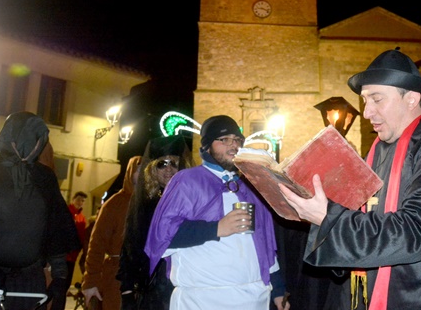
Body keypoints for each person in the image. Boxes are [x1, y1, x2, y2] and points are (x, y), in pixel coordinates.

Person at [279, 48, 421, 310]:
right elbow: (359, 214)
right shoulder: (378, 150)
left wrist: (327, 217)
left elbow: (413, 233)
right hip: (365, 296)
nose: (366, 113)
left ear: (411, 99)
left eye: (377, 99)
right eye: (365, 101)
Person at [144, 115, 290, 310]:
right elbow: (162, 236)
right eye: (224, 139)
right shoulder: (186, 181)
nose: (233, 145)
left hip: (254, 298)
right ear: (206, 146)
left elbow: (264, 243)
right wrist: (216, 228)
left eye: (237, 140)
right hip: (202, 300)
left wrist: (278, 289)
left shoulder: (251, 186)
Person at [0, 111, 81, 309]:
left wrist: (59, 276)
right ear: (12, 136)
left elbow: (55, 225)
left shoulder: (44, 177)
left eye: (39, 139)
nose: (34, 144)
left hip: (30, 280)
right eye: (29, 137)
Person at [117, 135, 195, 310]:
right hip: (152, 287)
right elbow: (130, 245)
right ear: (152, 169)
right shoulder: (144, 202)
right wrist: (127, 290)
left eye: (174, 163)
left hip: (186, 283)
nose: (168, 169)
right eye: (162, 164)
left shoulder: (193, 200)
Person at [81, 156, 142, 310]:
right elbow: (96, 244)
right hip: (117, 277)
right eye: (138, 170)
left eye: (146, 170)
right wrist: (91, 281)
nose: (141, 174)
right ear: (130, 173)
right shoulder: (114, 204)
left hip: (143, 277)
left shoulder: (153, 203)